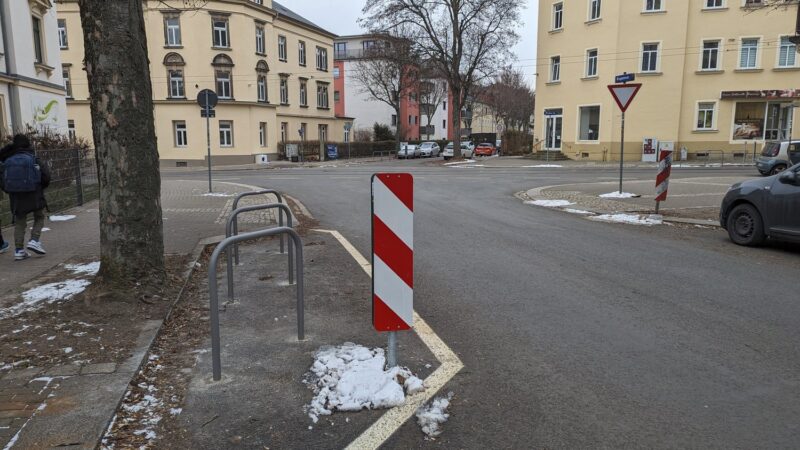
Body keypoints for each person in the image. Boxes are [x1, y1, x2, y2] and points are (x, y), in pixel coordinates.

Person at [0, 134, 50, 261]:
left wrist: (10, 190)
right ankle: (34, 240)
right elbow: (46, 176)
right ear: (28, 144)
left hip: (16, 197)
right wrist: (40, 186)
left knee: (19, 222)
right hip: (34, 193)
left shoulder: (7, 160)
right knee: (39, 216)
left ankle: (19, 250)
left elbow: (3, 181)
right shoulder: (32, 157)